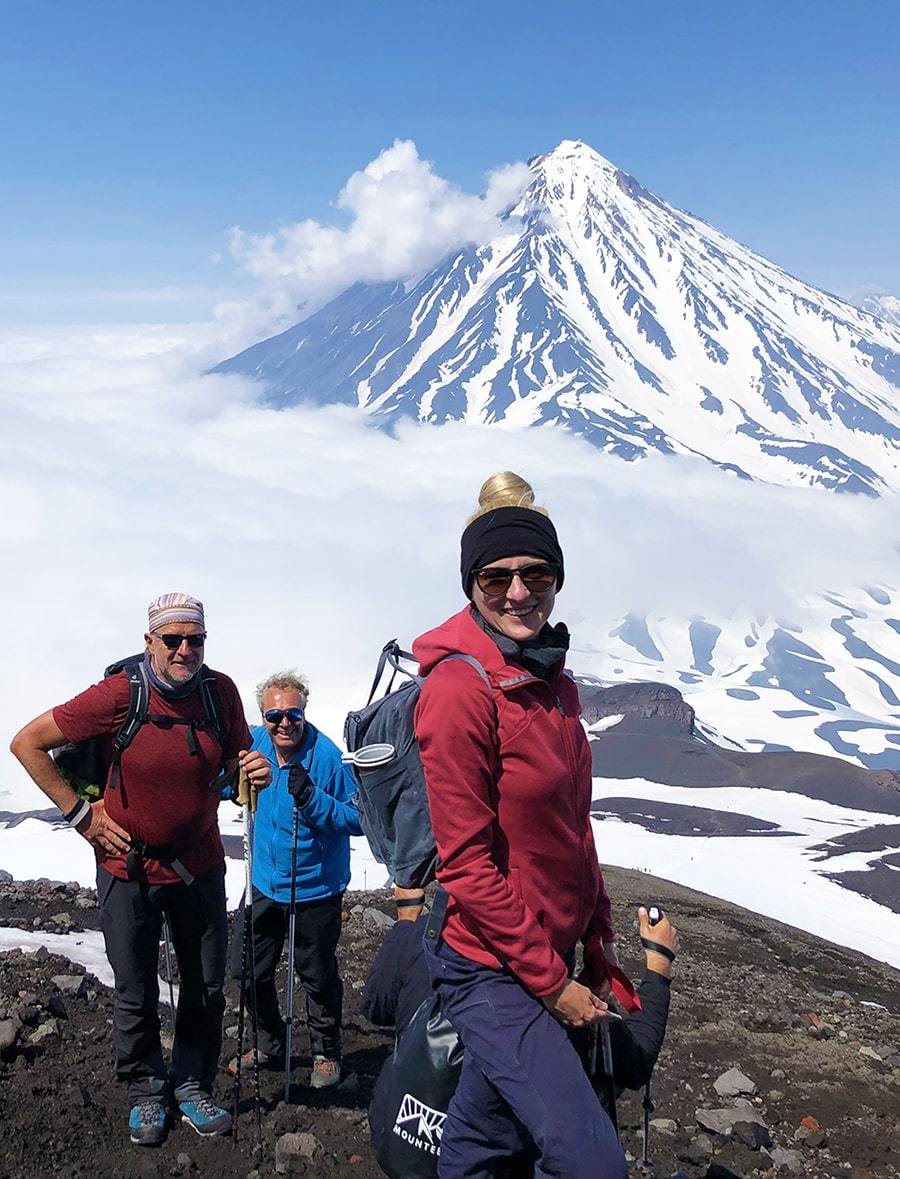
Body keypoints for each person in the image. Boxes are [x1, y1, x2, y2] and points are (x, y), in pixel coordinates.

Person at [412, 472, 627, 1179]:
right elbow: (467, 864)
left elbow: (574, 826)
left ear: (557, 577)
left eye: (536, 572)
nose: (517, 591)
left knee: (487, 1125)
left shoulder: (552, 681)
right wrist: (551, 982)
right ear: (470, 585)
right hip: (487, 963)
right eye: (494, 576)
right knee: (590, 1161)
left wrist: (595, 937)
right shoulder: (459, 689)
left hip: (544, 948)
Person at [9, 592, 272, 1146]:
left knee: (204, 987)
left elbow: (230, 764)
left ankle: (192, 1084)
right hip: (127, 868)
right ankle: (146, 1089)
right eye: (172, 639)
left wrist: (250, 769)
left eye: (194, 639)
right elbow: (27, 742)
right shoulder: (119, 694)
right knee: (134, 989)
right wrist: (80, 813)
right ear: (149, 641)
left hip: (199, 866)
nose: (184, 649)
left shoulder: (219, 693)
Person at [362, 903, 680, 1177]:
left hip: (396, 1147)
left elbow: (374, 1007)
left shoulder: (419, 936)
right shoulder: (569, 1005)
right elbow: (635, 1062)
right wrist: (658, 966)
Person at [228, 670, 362, 1089]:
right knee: (246, 969)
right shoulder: (254, 745)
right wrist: (230, 786)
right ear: (262, 717)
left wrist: (311, 797)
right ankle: (270, 1043)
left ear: (305, 714)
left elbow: (359, 818)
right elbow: (222, 784)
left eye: (293, 714)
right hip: (266, 882)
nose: (284, 723)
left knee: (317, 973)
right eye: (275, 715)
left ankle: (327, 1052)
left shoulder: (327, 758)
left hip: (316, 887)